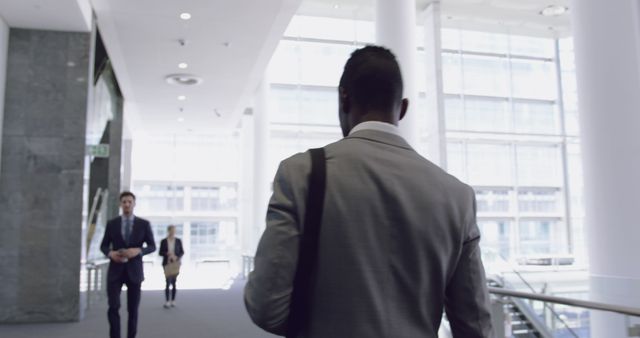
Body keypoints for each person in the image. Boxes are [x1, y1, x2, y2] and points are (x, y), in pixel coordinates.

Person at [244, 46, 493, 337]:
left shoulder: (301, 174)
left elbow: (266, 307)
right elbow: (475, 326)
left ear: (343, 97)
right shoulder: (457, 196)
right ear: (402, 108)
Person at [100, 191, 156, 338]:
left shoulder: (143, 224)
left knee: (133, 309)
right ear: (120, 204)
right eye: (124, 202)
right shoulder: (112, 224)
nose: (127, 204)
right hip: (115, 271)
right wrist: (110, 253)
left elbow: (152, 246)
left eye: (129, 202)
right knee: (113, 307)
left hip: (134, 271)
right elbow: (104, 246)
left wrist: (138, 251)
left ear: (134, 204)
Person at [159, 225, 184, 308]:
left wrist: (176, 256)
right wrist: (167, 254)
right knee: (167, 281)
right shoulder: (163, 241)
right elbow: (160, 252)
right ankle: (167, 301)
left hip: (176, 263)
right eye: (172, 230)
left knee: (174, 282)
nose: (173, 232)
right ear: (168, 231)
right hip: (167, 263)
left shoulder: (178, 241)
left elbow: (182, 252)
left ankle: (173, 300)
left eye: (174, 230)